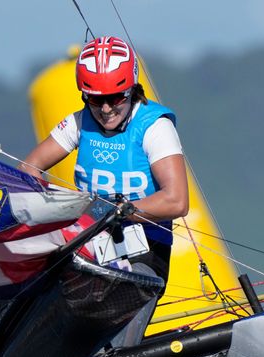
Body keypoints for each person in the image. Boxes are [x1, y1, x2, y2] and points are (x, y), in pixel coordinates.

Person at [20, 36, 189, 283]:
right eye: (96, 99)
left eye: (116, 98)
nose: (106, 109)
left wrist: (117, 212)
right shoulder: (79, 122)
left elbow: (177, 202)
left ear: (131, 90)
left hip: (145, 248)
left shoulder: (155, 127)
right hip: (89, 242)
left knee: (118, 292)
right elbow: (28, 169)